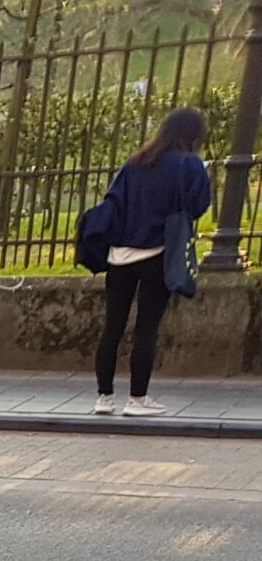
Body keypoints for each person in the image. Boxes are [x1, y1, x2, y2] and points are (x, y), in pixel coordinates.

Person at [92, 106, 211, 417]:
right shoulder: (189, 164)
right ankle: (138, 398)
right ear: (193, 135)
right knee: (146, 328)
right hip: (159, 252)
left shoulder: (136, 162)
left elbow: (114, 202)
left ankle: (103, 398)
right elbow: (198, 205)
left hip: (120, 255)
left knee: (112, 326)